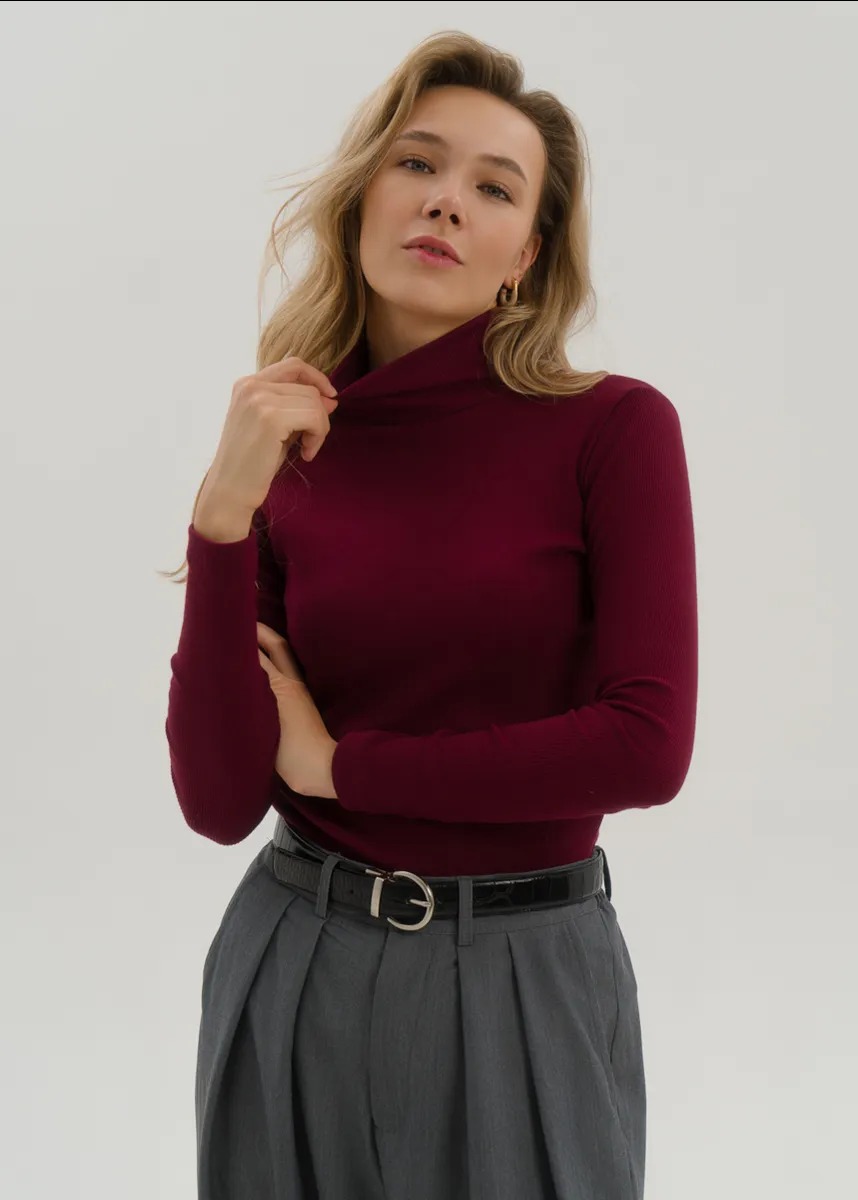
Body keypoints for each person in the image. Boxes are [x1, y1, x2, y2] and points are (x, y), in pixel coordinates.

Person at [162, 28, 698, 1200]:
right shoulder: (291, 445)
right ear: (363, 197)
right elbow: (218, 800)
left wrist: (345, 769)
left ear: (527, 256)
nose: (447, 200)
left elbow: (646, 747)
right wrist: (221, 517)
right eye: (417, 164)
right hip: (293, 965)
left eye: (494, 188)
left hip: (523, 979)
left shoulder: (612, 429)